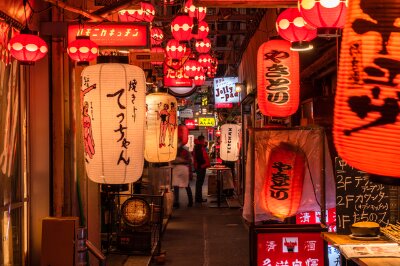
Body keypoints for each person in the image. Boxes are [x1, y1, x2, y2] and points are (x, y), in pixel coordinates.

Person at [172, 141, 193, 208]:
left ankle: (190, 201)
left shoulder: (185, 152)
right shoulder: (175, 151)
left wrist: (180, 160)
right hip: (178, 168)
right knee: (176, 186)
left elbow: (190, 160)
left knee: (185, 185)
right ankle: (176, 202)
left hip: (183, 168)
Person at [192, 135, 210, 203]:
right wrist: (204, 164)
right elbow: (199, 158)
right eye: (203, 140)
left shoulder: (198, 147)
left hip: (200, 167)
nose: (204, 142)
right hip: (201, 167)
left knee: (199, 183)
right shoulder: (198, 147)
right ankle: (198, 199)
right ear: (200, 141)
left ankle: (198, 198)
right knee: (199, 183)